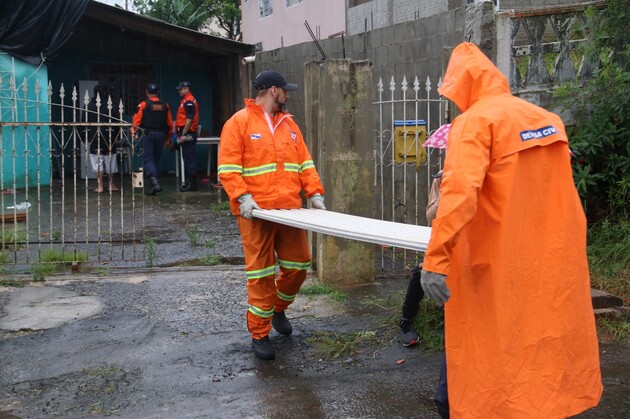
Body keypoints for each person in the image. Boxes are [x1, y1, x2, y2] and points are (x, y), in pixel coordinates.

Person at [420, 42, 602, 418]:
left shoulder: (474, 123)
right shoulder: (547, 119)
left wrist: (435, 261)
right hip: (548, 263)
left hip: (495, 266)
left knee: (476, 376)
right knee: (541, 361)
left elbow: (457, 198)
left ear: (462, 85)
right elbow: (565, 196)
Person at [218, 70, 326, 361]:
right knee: (261, 274)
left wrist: (314, 192)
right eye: (285, 90)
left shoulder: (289, 125)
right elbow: (228, 168)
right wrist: (243, 198)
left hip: (289, 211)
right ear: (273, 91)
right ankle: (260, 332)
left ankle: (278, 308)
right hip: (256, 214)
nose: (288, 95)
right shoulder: (238, 123)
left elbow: (304, 162)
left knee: (299, 264)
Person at [399, 169, 442, 347]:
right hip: (444, 235)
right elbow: (431, 217)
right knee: (424, 271)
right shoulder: (441, 178)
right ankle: (406, 319)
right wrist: (446, 191)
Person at [131, 82, 173, 195]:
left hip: (148, 135)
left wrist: (133, 134)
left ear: (147, 92)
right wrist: (168, 137)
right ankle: (153, 187)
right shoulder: (165, 105)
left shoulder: (144, 105)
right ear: (157, 93)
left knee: (149, 159)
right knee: (156, 160)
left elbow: (136, 121)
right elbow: (170, 124)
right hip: (161, 134)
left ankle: (154, 183)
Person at [85, 84, 118, 193]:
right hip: (110, 137)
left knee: (97, 162)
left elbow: (83, 123)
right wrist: (116, 136)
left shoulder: (89, 106)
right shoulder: (111, 106)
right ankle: (110, 184)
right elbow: (117, 123)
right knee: (110, 161)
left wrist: (83, 137)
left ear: (94, 94)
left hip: (94, 137)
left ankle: (100, 186)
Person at [175, 81, 199, 192]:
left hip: (188, 133)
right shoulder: (186, 100)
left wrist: (184, 134)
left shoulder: (189, 101)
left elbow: (189, 120)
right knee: (187, 158)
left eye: (180, 89)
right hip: (186, 133)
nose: (179, 91)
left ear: (186, 88)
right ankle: (190, 183)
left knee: (189, 159)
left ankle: (192, 185)